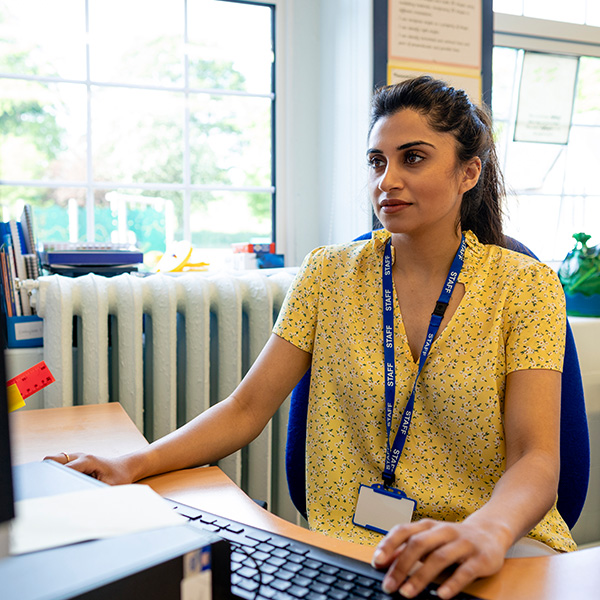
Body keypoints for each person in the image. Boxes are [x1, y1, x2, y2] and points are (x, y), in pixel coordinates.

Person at [47, 76, 575, 599]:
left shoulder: (525, 285)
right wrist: (131, 464)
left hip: (490, 545)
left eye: (413, 158)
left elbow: (536, 458)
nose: (386, 180)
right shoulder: (329, 274)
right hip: (357, 547)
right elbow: (246, 407)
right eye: (376, 161)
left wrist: (485, 531)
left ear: (468, 172)